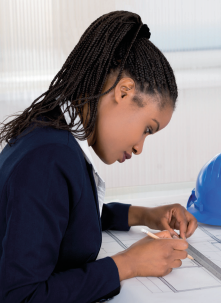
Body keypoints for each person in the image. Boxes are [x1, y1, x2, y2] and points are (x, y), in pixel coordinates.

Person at [0, 11, 198, 303]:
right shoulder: (48, 160)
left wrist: (145, 215)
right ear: (124, 91)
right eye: (147, 129)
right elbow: (19, 296)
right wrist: (127, 264)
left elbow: (62, 217)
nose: (140, 147)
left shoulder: (51, 131)